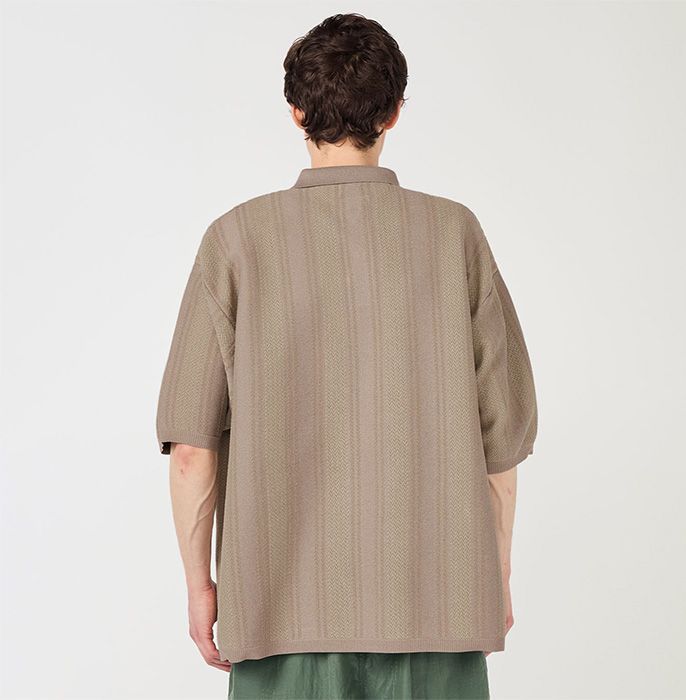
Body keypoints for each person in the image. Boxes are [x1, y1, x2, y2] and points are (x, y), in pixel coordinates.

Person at [155, 12, 538, 700]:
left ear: (297, 112)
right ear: (393, 112)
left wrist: (200, 588)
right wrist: (495, 576)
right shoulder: (454, 234)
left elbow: (190, 450)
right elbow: (501, 442)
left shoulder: (234, 241)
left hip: (279, 619)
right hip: (437, 615)